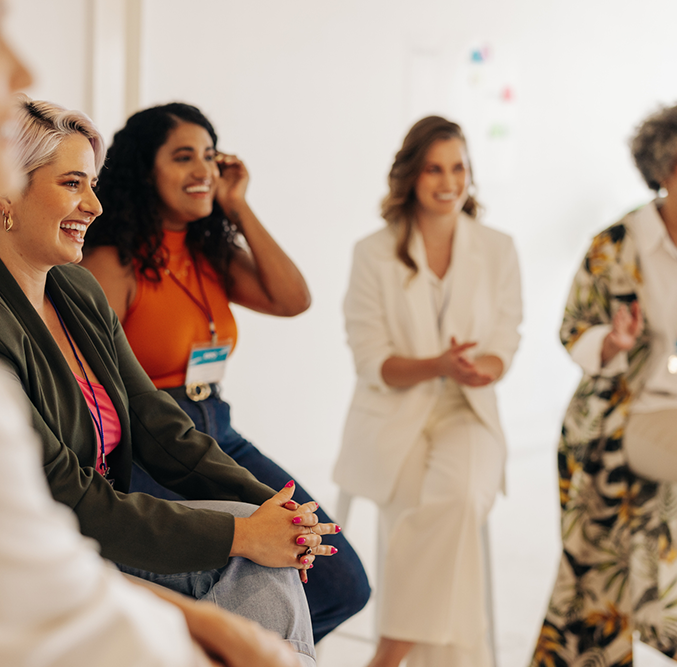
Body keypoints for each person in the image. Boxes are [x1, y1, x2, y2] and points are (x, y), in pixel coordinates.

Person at [0, 1, 304, 665]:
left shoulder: (73, 289)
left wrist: (275, 507)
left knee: (274, 572)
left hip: (89, 545)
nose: (94, 206)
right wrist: (239, 545)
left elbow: (155, 419)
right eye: (73, 183)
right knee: (261, 577)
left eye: (94, 183)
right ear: (5, 195)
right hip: (84, 543)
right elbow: (66, 522)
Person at [80, 102, 371, 642]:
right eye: (184, 156)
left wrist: (237, 205)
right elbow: (85, 384)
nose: (203, 171)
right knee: (209, 595)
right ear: (146, 169)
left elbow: (293, 298)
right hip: (152, 445)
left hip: (219, 430)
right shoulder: (111, 263)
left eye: (210, 157)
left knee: (339, 582)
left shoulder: (208, 251)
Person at [334, 116, 523, 667]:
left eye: (459, 167)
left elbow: (505, 340)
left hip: (468, 409)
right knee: (434, 518)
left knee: (459, 499)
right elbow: (373, 362)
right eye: (435, 168)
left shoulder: (498, 248)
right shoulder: (374, 252)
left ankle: (389, 655)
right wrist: (437, 363)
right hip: (393, 414)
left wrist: (478, 368)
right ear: (411, 175)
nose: (449, 181)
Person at [530, 105, 677, 667]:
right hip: (619, 417)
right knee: (595, 580)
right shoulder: (617, 243)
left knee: (595, 591)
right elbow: (573, 331)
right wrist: (613, 343)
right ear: (664, 171)